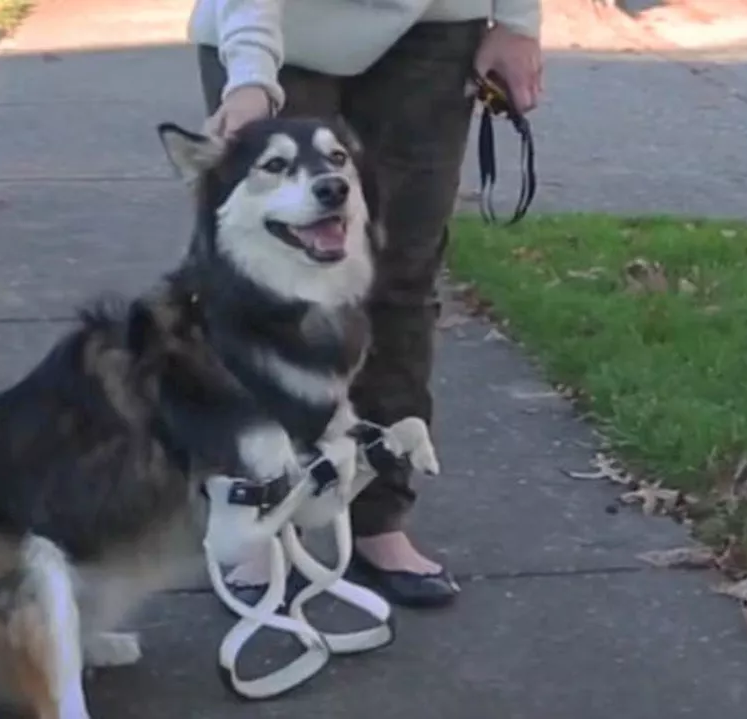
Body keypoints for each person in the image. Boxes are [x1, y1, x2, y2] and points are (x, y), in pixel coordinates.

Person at [186, 0, 543, 609]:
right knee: (258, 286)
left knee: (400, 274)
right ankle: (253, 521)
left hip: (431, 27)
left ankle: (378, 515)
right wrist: (249, 75)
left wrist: (517, 22)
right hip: (278, 25)